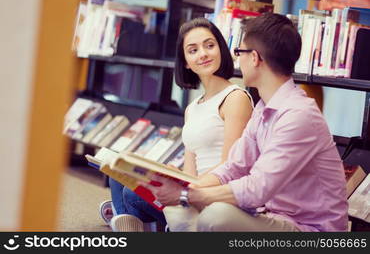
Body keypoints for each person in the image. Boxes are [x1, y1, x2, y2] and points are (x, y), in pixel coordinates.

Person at [141, 13, 349, 232]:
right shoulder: (263, 109)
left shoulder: (299, 115)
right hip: (272, 216)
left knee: (216, 215)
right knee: (183, 210)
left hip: (311, 230)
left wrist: (187, 195)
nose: (236, 58)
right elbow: (234, 167)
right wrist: (184, 186)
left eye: (240, 51)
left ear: (255, 58)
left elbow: (258, 188)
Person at [101, 17, 254, 231]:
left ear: (221, 49)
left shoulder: (235, 97)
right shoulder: (193, 108)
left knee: (130, 195)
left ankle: (131, 221)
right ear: (184, 61)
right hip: (193, 188)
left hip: (215, 194)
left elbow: (232, 165)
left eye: (209, 46)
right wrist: (171, 174)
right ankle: (137, 222)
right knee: (119, 176)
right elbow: (190, 169)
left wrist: (187, 188)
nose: (203, 54)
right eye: (193, 50)